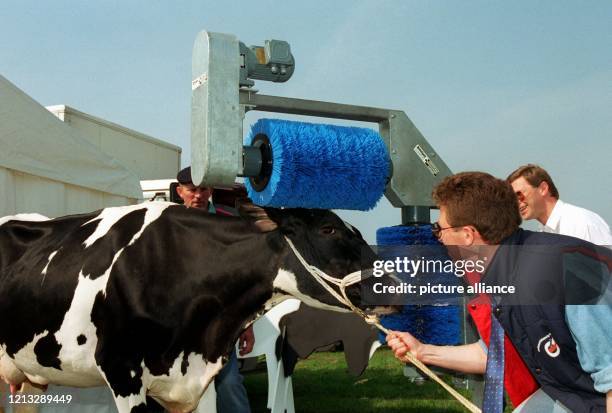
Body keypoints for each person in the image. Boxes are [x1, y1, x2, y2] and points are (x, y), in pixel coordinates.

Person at [386, 172, 611, 412]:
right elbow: (495, 352)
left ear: (467, 235)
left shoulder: (566, 273)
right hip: (574, 398)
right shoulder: (502, 275)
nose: (439, 238)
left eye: (439, 230)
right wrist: (422, 351)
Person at [175, 166, 254, 413]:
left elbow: (245, 277)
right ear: (180, 192)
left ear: (211, 191)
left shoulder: (230, 222)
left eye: (203, 189)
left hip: (221, 323)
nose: (197, 195)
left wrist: (247, 325)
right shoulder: (168, 223)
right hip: (178, 324)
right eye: (192, 190)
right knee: (173, 387)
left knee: (229, 382)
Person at [507, 164, 612, 245]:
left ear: (543, 189)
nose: (516, 203)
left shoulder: (582, 222)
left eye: (519, 195)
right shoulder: (542, 235)